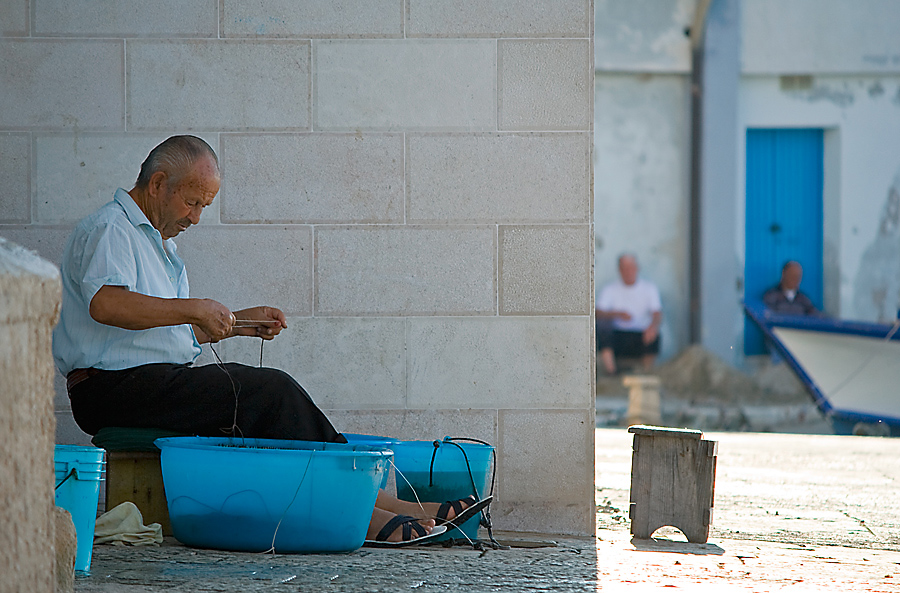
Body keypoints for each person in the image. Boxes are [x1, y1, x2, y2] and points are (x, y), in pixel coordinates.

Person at [51, 135, 486, 546]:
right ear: (159, 184)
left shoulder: (160, 247)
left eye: (203, 206)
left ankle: (388, 507)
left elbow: (166, 329)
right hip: (109, 389)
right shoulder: (111, 228)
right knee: (270, 392)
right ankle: (365, 512)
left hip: (149, 381)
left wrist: (239, 322)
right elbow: (108, 305)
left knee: (271, 401)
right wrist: (194, 307)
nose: (195, 217)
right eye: (192, 202)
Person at [595, 254, 662, 375]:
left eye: (631, 267)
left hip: (640, 335)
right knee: (602, 327)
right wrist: (617, 314)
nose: (628, 271)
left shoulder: (649, 288)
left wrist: (653, 327)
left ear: (637, 268)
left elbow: (657, 313)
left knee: (654, 335)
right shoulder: (610, 289)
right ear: (619, 270)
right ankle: (611, 373)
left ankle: (646, 373)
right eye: (625, 268)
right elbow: (598, 312)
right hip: (618, 336)